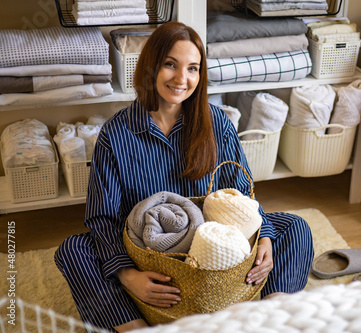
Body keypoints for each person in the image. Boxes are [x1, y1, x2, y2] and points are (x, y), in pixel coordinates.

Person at [54, 21, 314, 332]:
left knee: (293, 227)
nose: (182, 79)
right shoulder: (115, 133)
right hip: (150, 258)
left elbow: (242, 192)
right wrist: (129, 276)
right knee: (74, 250)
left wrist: (266, 237)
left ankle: (269, 320)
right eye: (170, 65)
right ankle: (136, 326)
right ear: (150, 66)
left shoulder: (218, 123)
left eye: (193, 68)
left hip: (214, 254)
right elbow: (102, 217)